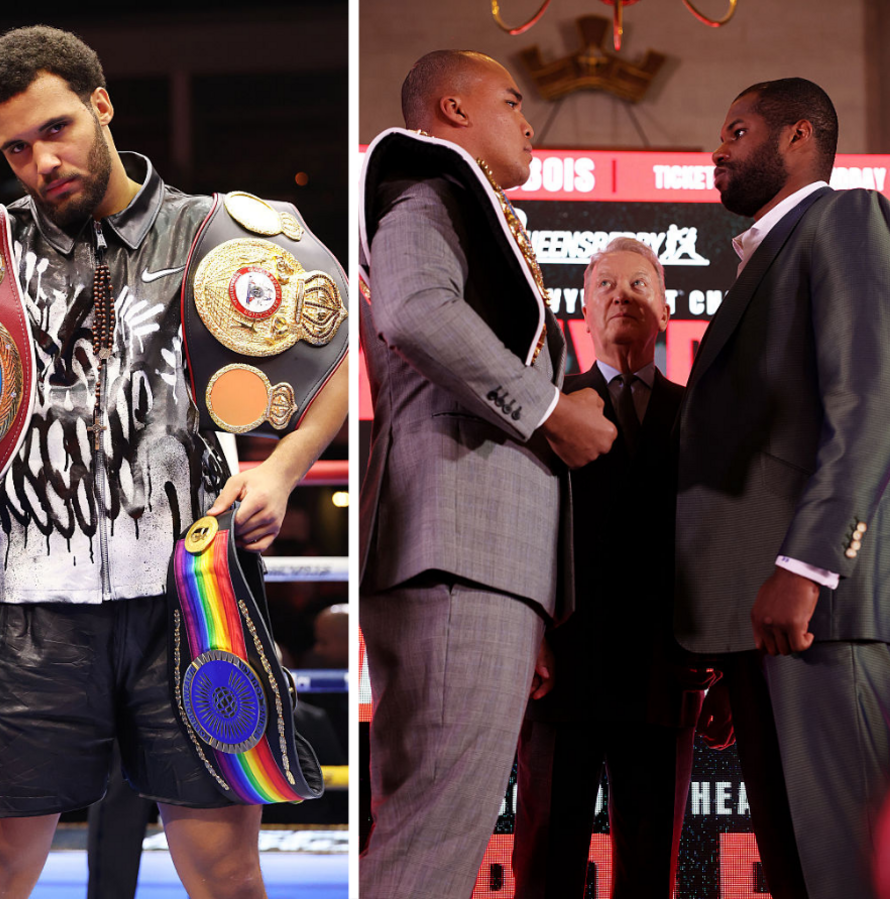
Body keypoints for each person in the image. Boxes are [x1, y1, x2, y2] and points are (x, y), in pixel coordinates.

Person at [0, 25, 348, 899]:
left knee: (223, 870)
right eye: (15, 147)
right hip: (27, 610)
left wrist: (285, 466)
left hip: (190, 602)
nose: (40, 162)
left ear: (102, 106)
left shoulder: (210, 229)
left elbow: (332, 354)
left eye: (56, 129)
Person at [357, 50, 615, 898]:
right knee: (433, 833)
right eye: (511, 100)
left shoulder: (476, 216)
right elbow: (415, 310)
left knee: (440, 827)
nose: (529, 118)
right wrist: (547, 409)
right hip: (457, 548)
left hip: (484, 560)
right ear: (453, 111)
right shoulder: (427, 195)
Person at [676, 77, 890, 898]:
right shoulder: (764, 260)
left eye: (736, 130)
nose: (718, 150)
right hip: (762, 634)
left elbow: (869, 403)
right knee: (803, 876)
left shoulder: (842, 220)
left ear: (799, 137)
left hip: (822, 619)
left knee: (847, 877)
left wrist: (805, 568)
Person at [510, 239, 708, 897]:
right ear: (584, 314)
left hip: (664, 672)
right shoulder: (549, 407)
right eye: (605, 285)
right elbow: (524, 529)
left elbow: (718, 544)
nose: (622, 293)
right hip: (559, 670)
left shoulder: (701, 415)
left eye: (639, 283)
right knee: (546, 866)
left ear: (666, 310)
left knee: (651, 873)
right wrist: (530, 631)